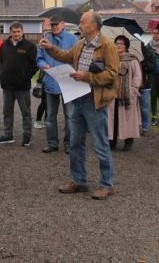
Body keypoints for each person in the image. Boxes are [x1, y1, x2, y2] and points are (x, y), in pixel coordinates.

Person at [39, 10, 118, 200]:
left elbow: (112, 73)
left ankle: (106, 184)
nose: (80, 25)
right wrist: (50, 48)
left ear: (94, 25)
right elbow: (66, 56)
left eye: (83, 22)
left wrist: (87, 76)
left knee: (100, 144)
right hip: (77, 97)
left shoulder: (107, 46)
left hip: (94, 100)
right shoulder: (80, 43)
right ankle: (79, 180)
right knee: (75, 142)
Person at [36, 16, 78, 154]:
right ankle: (52, 143)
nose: (54, 27)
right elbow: (39, 58)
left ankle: (69, 144)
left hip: (68, 82)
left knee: (70, 116)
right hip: (51, 81)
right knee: (50, 116)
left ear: (63, 24)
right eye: (52, 24)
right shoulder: (45, 39)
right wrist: (43, 65)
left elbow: (77, 58)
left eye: (56, 24)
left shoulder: (73, 39)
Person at [0, 22, 39, 146]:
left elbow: (34, 66)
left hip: (22, 86)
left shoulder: (29, 46)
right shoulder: (4, 45)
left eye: (18, 31)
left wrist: (25, 77)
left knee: (26, 112)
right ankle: (8, 135)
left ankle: (27, 137)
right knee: (7, 111)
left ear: (22, 32)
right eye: (14, 31)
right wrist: (1, 75)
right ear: (10, 32)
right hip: (7, 85)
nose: (16, 34)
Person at [108, 35, 142, 151]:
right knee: (113, 119)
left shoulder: (132, 60)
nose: (118, 45)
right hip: (113, 94)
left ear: (126, 45)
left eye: (121, 43)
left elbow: (137, 77)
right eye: (116, 43)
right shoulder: (112, 58)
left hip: (127, 95)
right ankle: (112, 141)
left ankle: (128, 141)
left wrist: (133, 89)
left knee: (128, 119)